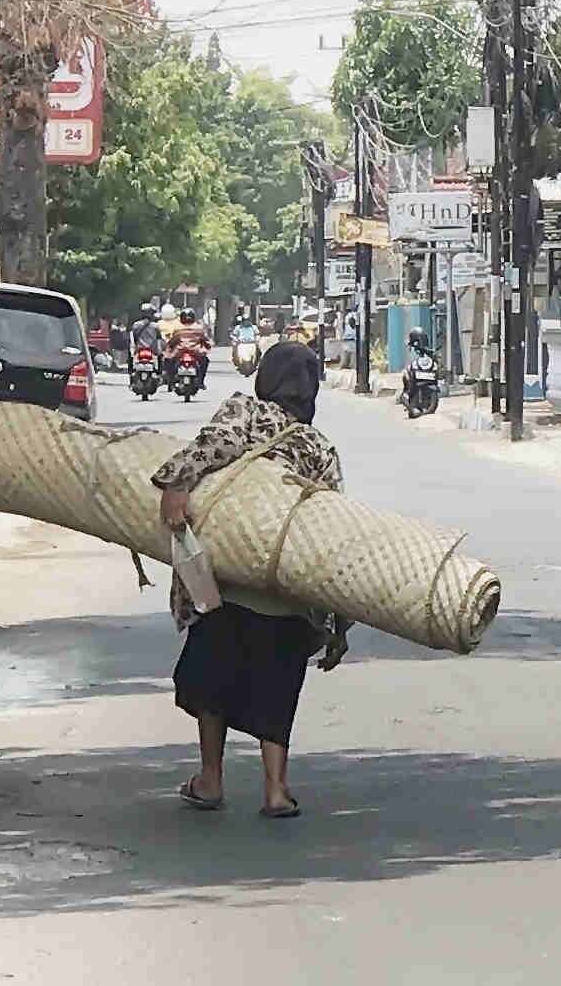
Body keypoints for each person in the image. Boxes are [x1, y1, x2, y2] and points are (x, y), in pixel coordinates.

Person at [153, 342, 349, 818]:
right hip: (286, 594)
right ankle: (276, 790)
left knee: (211, 684)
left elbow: (211, 447)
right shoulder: (318, 447)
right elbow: (337, 532)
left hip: (229, 584)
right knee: (277, 691)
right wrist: (339, 625)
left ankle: (210, 781)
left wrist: (176, 483)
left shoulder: (245, 412)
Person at [166, 308, 212, 389]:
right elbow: (205, 340)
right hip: (196, 351)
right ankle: (201, 381)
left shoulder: (178, 329)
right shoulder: (198, 328)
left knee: (169, 361)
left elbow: (172, 341)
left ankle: (171, 382)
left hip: (180, 350)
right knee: (205, 361)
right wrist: (207, 346)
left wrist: (170, 347)